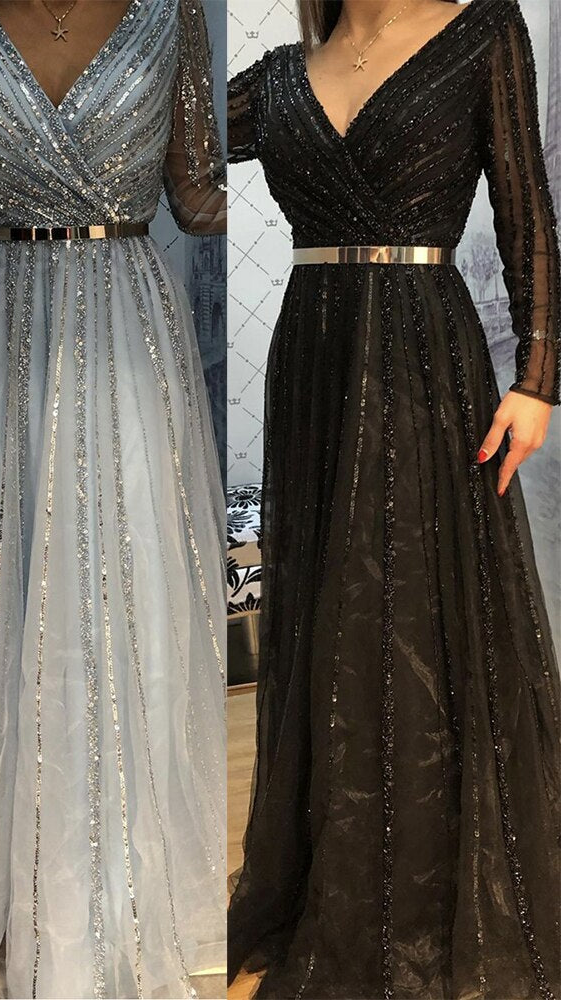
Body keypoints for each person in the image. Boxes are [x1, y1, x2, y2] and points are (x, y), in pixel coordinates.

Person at [0, 0, 228, 996]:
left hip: (127, 321)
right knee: (1, 592)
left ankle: (111, 879)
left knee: (125, 589)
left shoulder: (169, 15)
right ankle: (10, 875)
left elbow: (196, 194)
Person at [226, 0, 560, 997]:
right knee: (332, 613)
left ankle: (425, 884)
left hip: (424, 352)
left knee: (417, 607)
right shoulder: (281, 73)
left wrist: (538, 376)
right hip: (315, 358)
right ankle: (338, 865)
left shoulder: (482, 30)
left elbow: (528, 214)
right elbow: (170, 138)